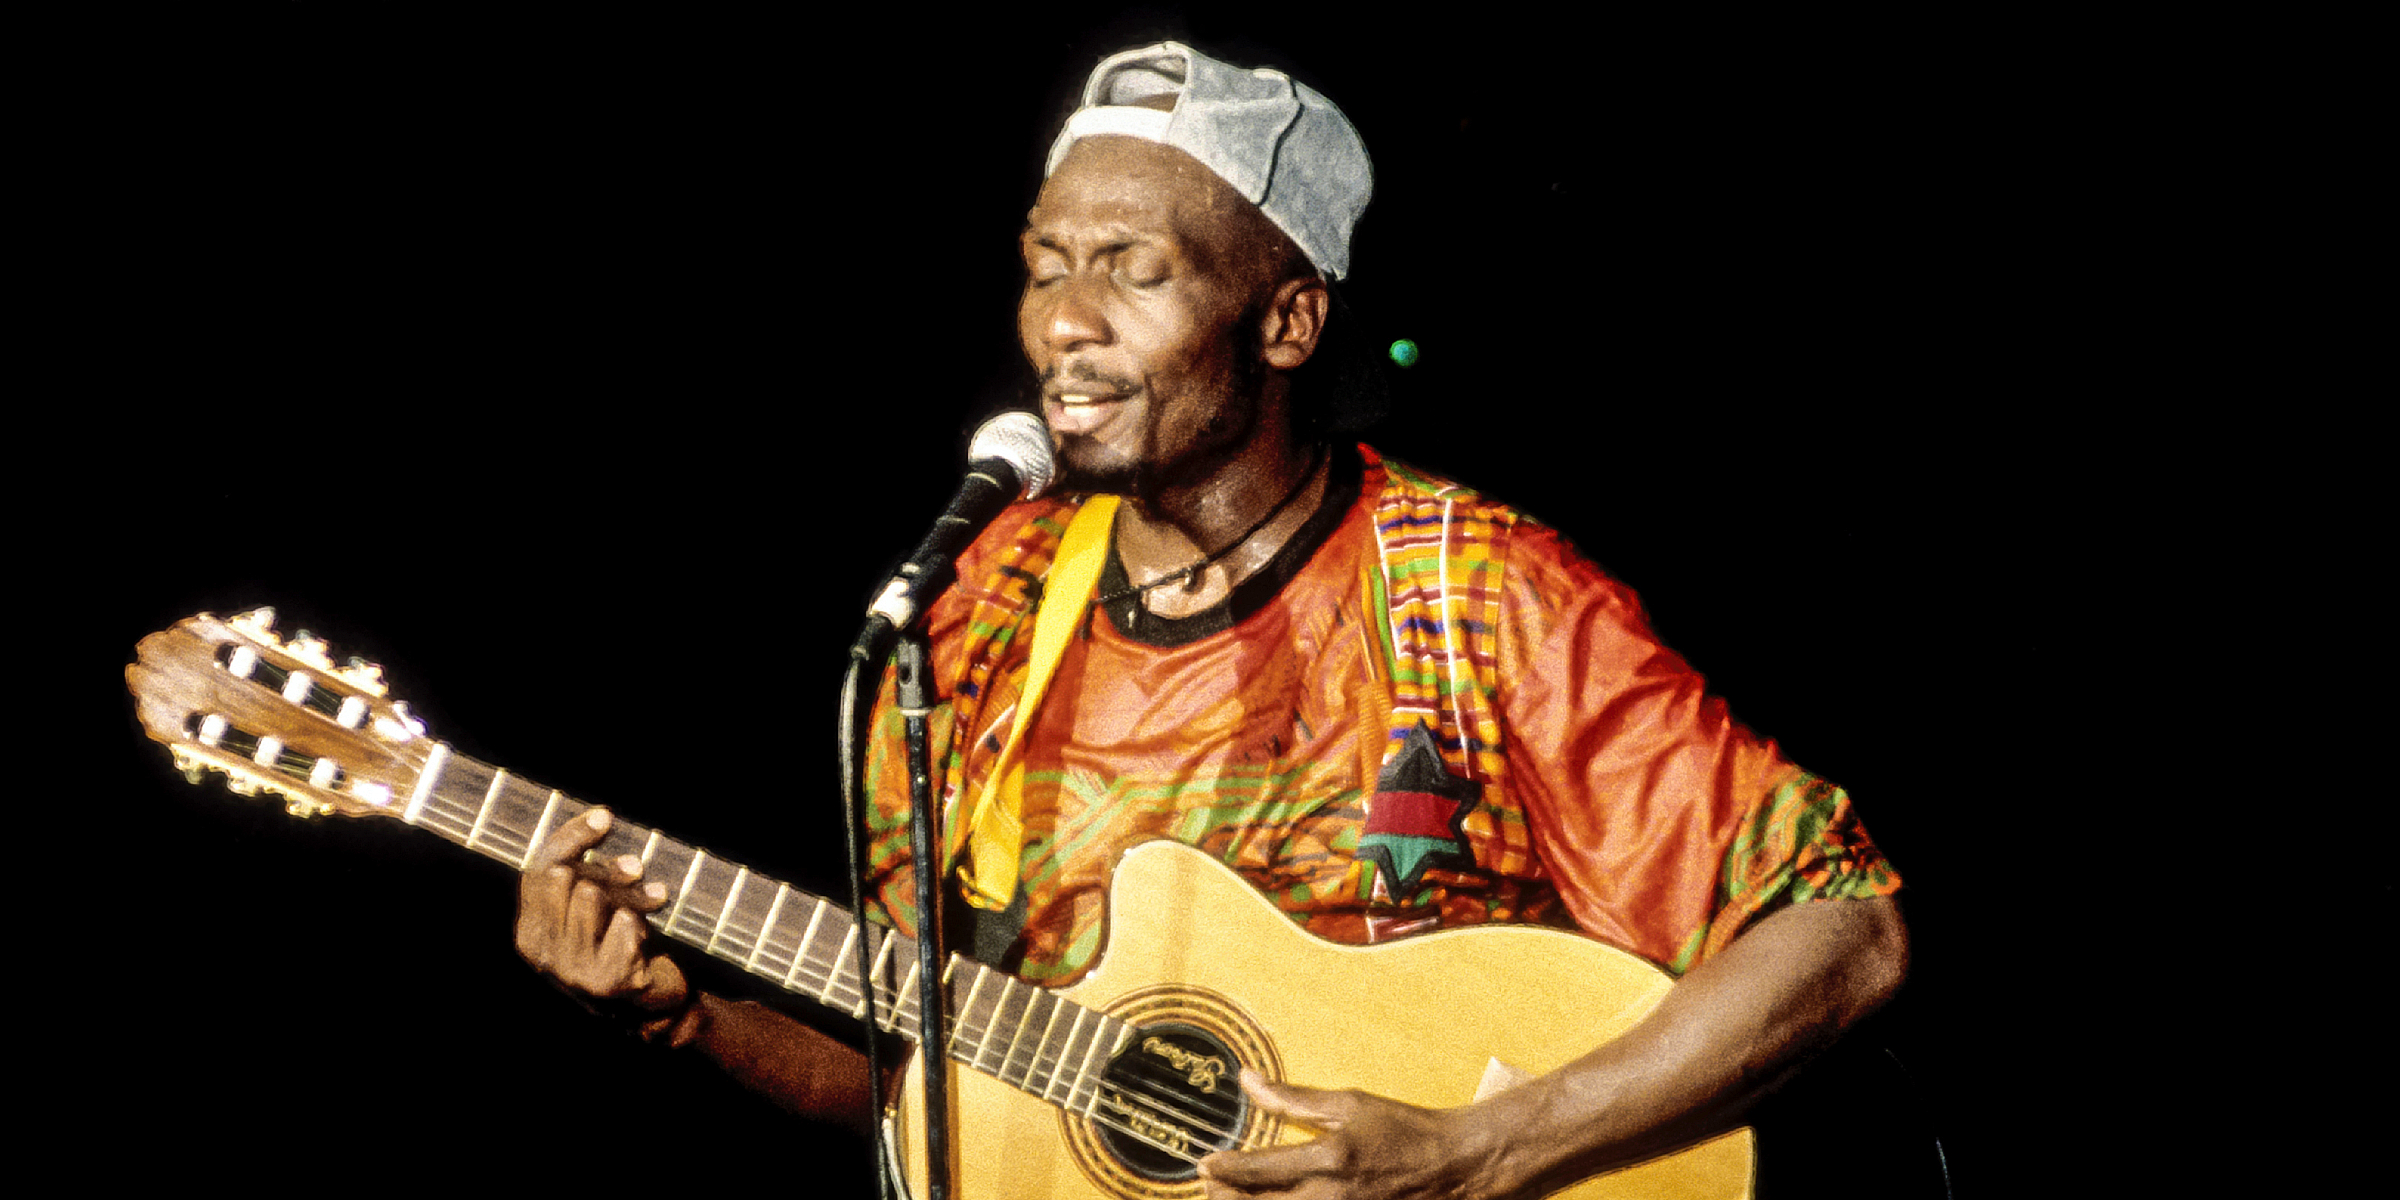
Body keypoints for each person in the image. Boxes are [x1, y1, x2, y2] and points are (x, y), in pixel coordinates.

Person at [514, 41, 1907, 1198]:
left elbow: (1845, 931)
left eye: (1133, 268)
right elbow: (932, 1086)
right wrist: (687, 1020)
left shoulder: (1475, 592)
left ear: (1287, 322)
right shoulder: (977, 616)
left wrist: (1477, 1151)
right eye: (1046, 263)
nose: (1064, 322)